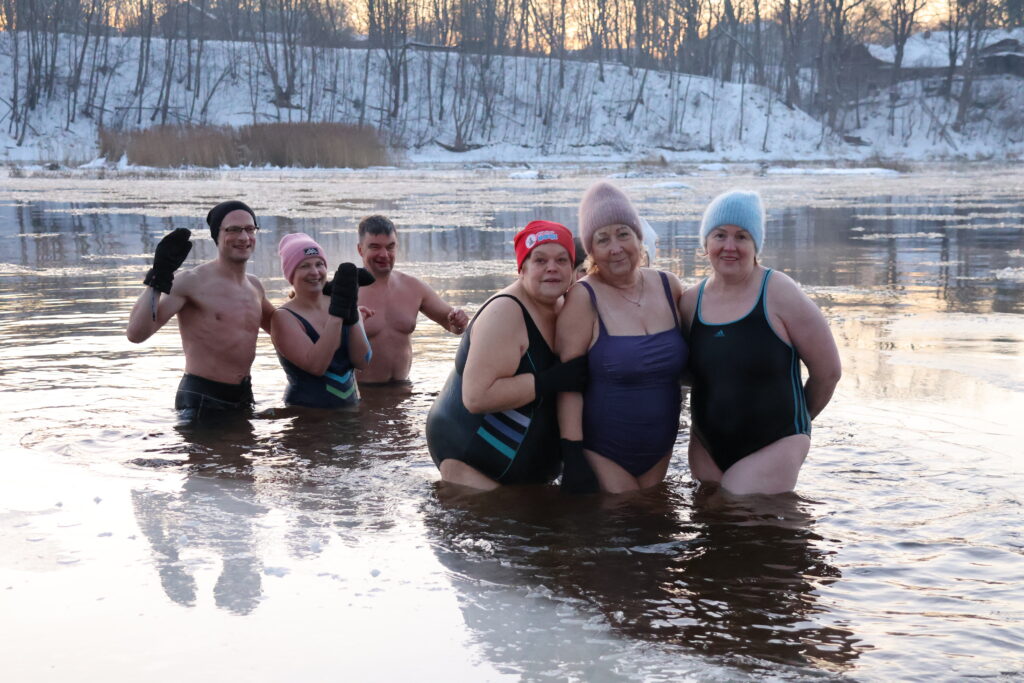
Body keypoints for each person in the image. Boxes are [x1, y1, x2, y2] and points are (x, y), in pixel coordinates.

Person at [679, 190, 842, 495]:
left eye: (742, 237)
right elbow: (687, 371)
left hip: (774, 442)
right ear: (705, 244)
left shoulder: (780, 292)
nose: (729, 246)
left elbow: (828, 371)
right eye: (719, 235)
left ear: (756, 245)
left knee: (745, 520)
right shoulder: (690, 302)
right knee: (711, 525)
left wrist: (798, 424)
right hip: (706, 444)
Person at [426, 221, 588, 491]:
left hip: (525, 478)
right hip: (469, 461)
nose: (552, 267)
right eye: (540, 260)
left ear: (573, 269)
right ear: (522, 268)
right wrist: (549, 381)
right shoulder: (506, 312)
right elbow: (476, 396)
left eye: (562, 260)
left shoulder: (565, 306)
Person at [557, 181, 688, 494]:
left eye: (623, 234)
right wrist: (572, 455)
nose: (615, 247)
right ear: (591, 250)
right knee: (621, 523)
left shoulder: (669, 286)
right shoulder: (582, 298)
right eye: (603, 239)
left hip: (661, 448)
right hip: (604, 450)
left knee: (654, 530)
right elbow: (566, 385)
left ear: (638, 237)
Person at [126, 200, 275, 420]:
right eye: (233, 230)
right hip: (202, 398)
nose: (243, 237)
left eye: (249, 229)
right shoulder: (191, 282)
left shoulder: (254, 286)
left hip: (243, 396)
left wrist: (325, 298)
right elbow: (136, 334)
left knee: (245, 455)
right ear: (217, 235)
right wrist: (159, 276)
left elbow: (283, 327)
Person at [355, 215, 470, 384]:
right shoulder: (344, 291)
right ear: (360, 250)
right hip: (362, 395)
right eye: (375, 247)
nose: (384, 254)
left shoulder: (413, 287)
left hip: (403, 393)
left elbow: (452, 325)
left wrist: (459, 321)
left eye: (390, 247)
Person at [270, 233, 373, 408]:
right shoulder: (284, 317)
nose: (315, 272)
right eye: (304, 266)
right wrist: (339, 311)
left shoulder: (343, 302)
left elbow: (362, 361)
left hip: (350, 413)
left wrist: (352, 309)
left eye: (319, 264)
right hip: (308, 418)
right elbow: (316, 366)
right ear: (291, 274)